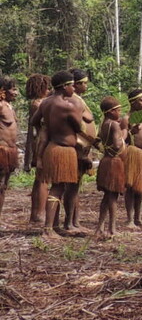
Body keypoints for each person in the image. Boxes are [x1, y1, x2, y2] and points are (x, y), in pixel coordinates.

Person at [30, 71, 83, 238]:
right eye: (72, 85)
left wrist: (45, 129)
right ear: (64, 86)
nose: (74, 88)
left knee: (58, 187)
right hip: (63, 150)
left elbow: (34, 121)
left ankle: (55, 225)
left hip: (51, 147)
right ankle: (48, 228)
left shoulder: (45, 103)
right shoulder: (67, 106)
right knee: (58, 188)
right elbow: (78, 127)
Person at [66, 68, 96, 234]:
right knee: (70, 187)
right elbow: (75, 128)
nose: (86, 86)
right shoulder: (72, 102)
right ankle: (68, 223)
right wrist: (81, 150)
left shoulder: (78, 100)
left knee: (76, 187)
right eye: (83, 83)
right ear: (75, 85)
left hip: (83, 149)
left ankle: (75, 221)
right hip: (77, 149)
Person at [121, 89, 142, 229]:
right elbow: (122, 139)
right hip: (133, 153)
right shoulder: (126, 119)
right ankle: (129, 219)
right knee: (130, 187)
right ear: (132, 102)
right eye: (141, 100)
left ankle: (138, 218)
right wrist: (130, 132)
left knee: (140, 188)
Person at [94, 97, 127, 240]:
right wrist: (123, 137)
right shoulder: (114, 124)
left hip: (105, 161)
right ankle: (112, 228)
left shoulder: (103, 124)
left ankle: (99, 227)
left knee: (106, 196)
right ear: (111, 111)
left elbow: (98, 141)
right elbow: (117, 145)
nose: (120, 112)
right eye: (118, 110)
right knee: (112, 197)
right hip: (114, 162)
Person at [24, 74, 51, 224]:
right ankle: (40, 213)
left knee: (39, 179)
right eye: (47, 87)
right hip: (41, 140)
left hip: (39, 139)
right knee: (43, 178)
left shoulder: (37, 103)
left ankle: (36, 213)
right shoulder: (38, 104)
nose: (49, 90)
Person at [0, 76, 20, 225]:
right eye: (13, 89)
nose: (16, 93)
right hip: (1, 150)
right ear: (3, 91)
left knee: (3, 187)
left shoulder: (8, 106)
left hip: (9, 151)